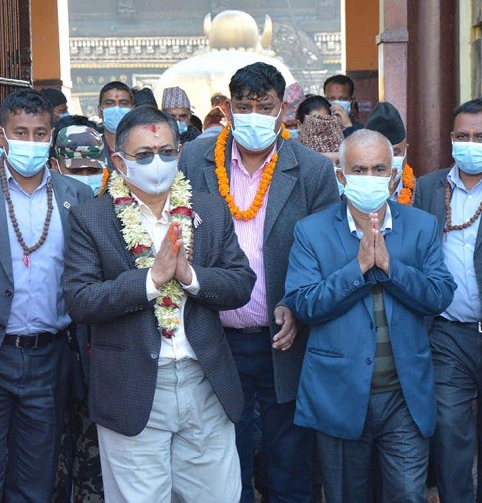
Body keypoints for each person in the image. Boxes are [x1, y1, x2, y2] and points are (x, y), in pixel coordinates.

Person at [63, 105, 256, 502]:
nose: (158, 162)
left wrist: (190, 276)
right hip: (132, 387)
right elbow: (81, 301)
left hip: (204, 381)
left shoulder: (209, 209)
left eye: (167, 152)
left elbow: (240, 283)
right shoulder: (91, 219)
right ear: (119, 161)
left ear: (180, 153)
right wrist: (151, 280)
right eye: (144, 154)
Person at [179, 61, 339, 503]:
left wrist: (299, 307)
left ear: (282, 109)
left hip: (284, 339)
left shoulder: (311, 170)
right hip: (215, 336)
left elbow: (327, 252)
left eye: (264, 107)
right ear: (228, 109)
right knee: (225, 463)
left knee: (289, 462)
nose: (253, 115)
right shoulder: (195, 159)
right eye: (243, 106)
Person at [284, 129, 456, 502]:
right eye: (359, 170)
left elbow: (439, 295)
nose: (370, 177)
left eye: (379, 169)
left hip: (404, 396)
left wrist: (391, 268)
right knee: (346, 494)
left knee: (407, 494)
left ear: (393, 176)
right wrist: (358, 269)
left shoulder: (420, 225)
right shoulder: (311, 231)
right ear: (341, 176)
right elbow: (303, 303)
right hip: (339, 393)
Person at [0, 88, 92, 502]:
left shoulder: (76, 195)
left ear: (51, 135)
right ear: (1, 136)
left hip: (50, 355)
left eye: (40, 133)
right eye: (20, 133)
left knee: (37, 472)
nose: (30, 142)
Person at [414, 98, 482, 503]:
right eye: (462, 136)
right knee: (450, 432)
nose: (470, 143)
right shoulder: (429, 188)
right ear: (451, 139)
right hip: (447, 334)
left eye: (480, 137)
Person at [364, 102, 416, 205]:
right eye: (380, 154)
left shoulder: (421, 192)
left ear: (406, 149)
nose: (389, 160)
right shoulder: (353, 192)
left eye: (395, 153)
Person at [52, 117, 109, 197]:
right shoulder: (47, 198)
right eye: (75, 171)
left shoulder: (118, 192)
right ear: (55, 165)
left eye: (93, 170)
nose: (85, 178)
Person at [98, 81, 133, 155]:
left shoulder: (143, 150)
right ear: (100, 111)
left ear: (133, 110)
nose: (117, 109)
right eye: (109, 103)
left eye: (124, 103)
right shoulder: (92, 151)